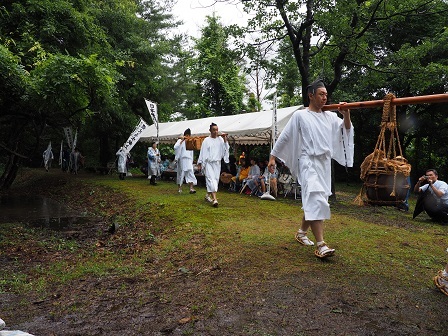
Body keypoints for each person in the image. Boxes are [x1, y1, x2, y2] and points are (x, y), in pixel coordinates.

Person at [268, 79, 354, 258]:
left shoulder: (330, 116)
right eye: (321, 94)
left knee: (318, 199)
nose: (325, 98)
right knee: (315, 198)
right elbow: (285, 137)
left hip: (324, 164)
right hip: (307, 162)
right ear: (311, 95)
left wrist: (346, 114)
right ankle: (321, 245)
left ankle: (301, 233)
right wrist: (272, 158)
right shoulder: (301, 115)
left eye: (326, 95)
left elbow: (346, 129)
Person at [197, 123, 229, 207]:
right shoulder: (206, 140)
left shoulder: (220, 140)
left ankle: (208, 195)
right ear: (210, 130)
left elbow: (225, 149)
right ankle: (215, 199)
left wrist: (225, 139)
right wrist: (200, 162)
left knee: (215, 180)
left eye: (217, 129)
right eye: (214, 130)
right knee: (211, 180)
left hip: (217, 164)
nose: (216, 131)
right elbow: (202, 152)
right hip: (209, 163)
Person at [174, 128, 197, 194]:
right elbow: (175, 147)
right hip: (181, 159)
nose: (188, 137)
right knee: (181, 174)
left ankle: (191, 188)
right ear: (185, 135)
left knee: (190, 173)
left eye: (189, 135)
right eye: (187, 135)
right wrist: (181, 141)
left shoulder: (190, 142)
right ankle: (179, 188)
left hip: (189, 160)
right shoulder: (180, 140)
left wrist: (191, 161)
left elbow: (191, 153)